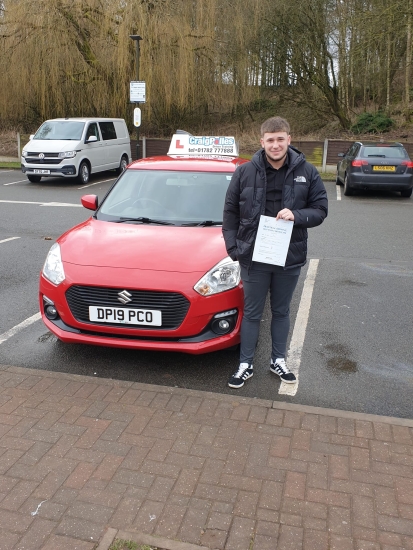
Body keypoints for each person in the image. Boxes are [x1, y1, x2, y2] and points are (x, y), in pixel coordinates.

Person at [222, 116, 328, 388]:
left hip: (288, 256)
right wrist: (234, 248)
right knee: (253, 312)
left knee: (281, 311)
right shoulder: (244, 172)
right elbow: (230, 212)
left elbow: (320, 210)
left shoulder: (308, 171)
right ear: (262, 142)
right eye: (270, 140)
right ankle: (245, 364)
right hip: (254, 256)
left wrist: (296, 214)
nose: (276, 144)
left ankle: (278, 360)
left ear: (289, 140)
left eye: (281, 139)